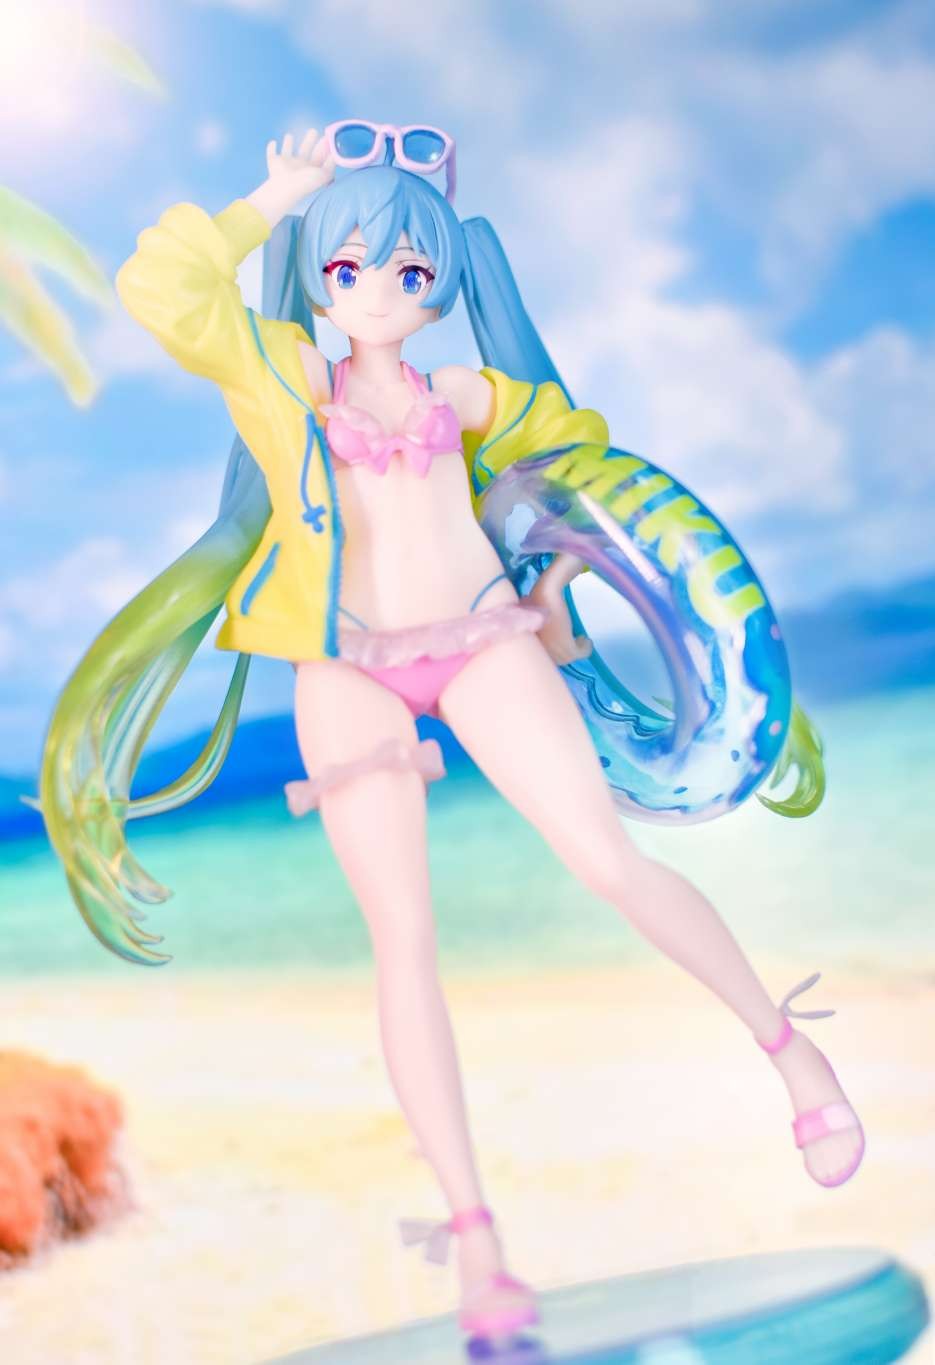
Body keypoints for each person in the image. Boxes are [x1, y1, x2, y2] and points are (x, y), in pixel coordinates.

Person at [41, 123, 864, 1341]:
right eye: (348, 266)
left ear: (441, 285)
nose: (377, 290)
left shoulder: (465, 395)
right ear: (318, 275)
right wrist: (274, 194)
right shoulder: (284, 373)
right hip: (345, 667)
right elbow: (161, 287)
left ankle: (791, 1052)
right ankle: (477, 1244)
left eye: (408, 270)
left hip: (482, 638)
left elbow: (573, 470)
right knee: (404, 940)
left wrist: (555, 587)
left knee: (608, 862)